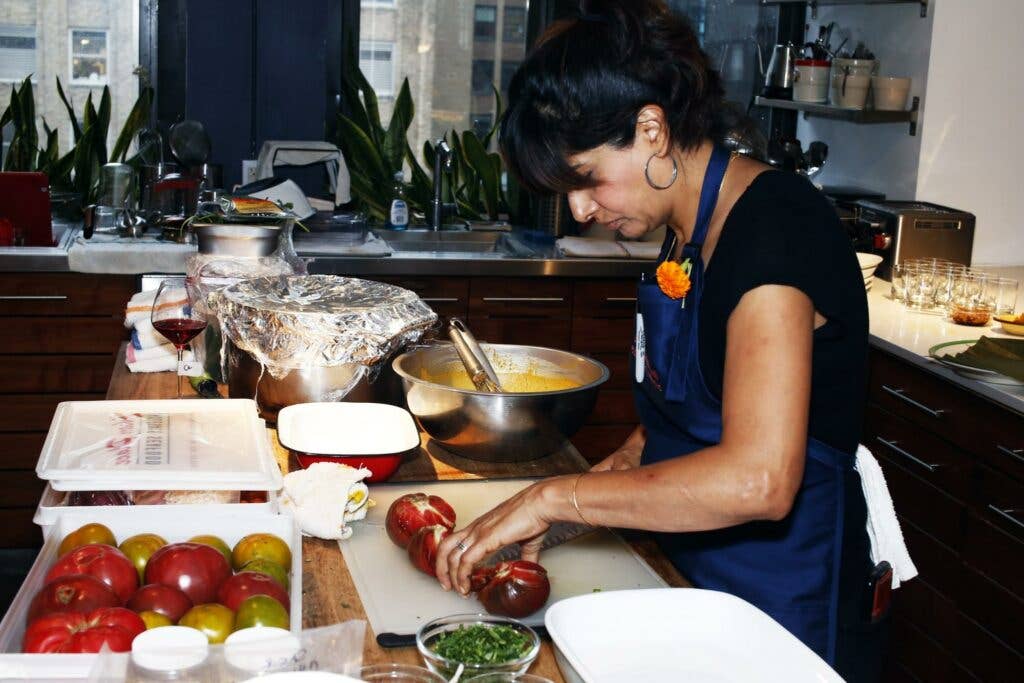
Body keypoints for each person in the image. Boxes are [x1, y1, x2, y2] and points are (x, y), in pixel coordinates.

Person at [434, 1, 884, 679]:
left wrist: (555, 495)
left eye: (585, 178)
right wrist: (550, 521)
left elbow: (758, 478)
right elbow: (670, 434)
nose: (581, 208)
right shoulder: (682, 234)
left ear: (651, 127)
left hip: (781, 617)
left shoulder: (776, 229)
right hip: (689, 592)